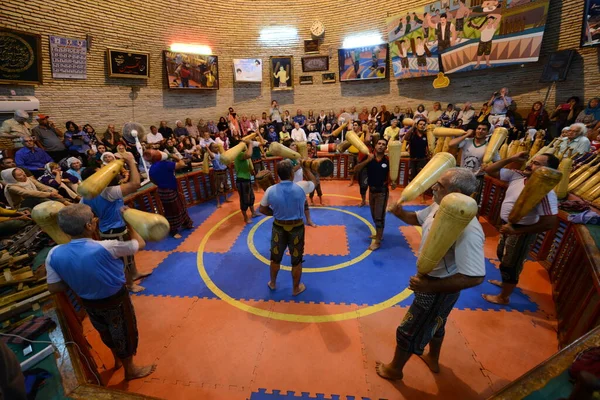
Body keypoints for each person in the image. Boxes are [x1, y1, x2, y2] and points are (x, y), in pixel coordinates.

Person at [377, 168, 485, 381]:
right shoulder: (441, 205)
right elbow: (418, 219)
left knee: (408, 328)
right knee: (438, 323)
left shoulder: (469, 229)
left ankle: (395, 370)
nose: (433, 187)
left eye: (440, 185)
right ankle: (433, 357)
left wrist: (429, 287)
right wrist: (399, 213)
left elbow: (475, 277)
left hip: (440, 287)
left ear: (455, 192)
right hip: (432, 282)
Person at [46, 204, 156, 381]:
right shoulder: (107, 246)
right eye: (93, 218)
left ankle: (117, 360)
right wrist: (130, 225)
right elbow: (141, 243)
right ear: (89, 226)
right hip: (115, 300)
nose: (95, 219)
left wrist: (78, 278)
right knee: (125, 332)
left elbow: (54, 287)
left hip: (88, 303)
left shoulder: (53, 253)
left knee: (105, 331)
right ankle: (131, 370)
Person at [482, 152, 559, 305]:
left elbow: (549, 223)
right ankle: (505, 283)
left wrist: (516, 231)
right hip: (507, 227)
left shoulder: (545, 193)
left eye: (537, 164)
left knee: (511, 264)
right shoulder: (518, 176)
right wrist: (512, 159)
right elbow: (490, 170)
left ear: (548, 171)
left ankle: (503, 297)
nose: (531, 165)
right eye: (532, 161)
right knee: (501, 255)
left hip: (521, 231)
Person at [81, 152, 149, 293]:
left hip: (108, 229)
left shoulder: (85, 196)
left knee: (128, 255)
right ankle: (130, 285)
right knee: (124, 260)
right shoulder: (107, 192)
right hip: (115, 231)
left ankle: (134, 273)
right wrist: (131, 161)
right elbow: (136, 184)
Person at [259, 160, 315, 296]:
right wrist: (306, 167)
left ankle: (272, 283)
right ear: (291, 173)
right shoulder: (301, 187)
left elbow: (262, 209)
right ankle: (295, 288)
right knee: (296, 261)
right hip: (296, 228)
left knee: (275, 258)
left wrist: (276, 214)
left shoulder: (270, 190)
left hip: (278, 227)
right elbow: (314, 182)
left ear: (278, 175)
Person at [353, 138, 394, 251]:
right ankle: (378, 234)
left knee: (379, 216)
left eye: (383, 145)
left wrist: (393, 182)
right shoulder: (368, 158)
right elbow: (356, 170)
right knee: (374, 215)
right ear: (375, 146)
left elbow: (393, 175)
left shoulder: (388, 160)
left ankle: (378, 241)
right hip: (371, 191)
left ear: (386, 148)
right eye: (379, 144)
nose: (381, 146)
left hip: (382, 192)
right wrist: (367, 161)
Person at [144, 150, 193, 238]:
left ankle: (186, 224)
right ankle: (174, 231)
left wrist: (161, 184)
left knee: (174, 209)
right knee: (175, 210)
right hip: (169, 190)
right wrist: (174, 156)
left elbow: (152, 180)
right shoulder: (164, 164)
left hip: (163, 190)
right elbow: (182, 164)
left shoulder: (151, 168)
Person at [233, 139, 259, 224]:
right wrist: (250, 144)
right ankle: (245, 217)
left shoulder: (243, 155)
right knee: (244, 200)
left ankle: (253, 212)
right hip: (241, 180)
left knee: (251, 197)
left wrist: (252, 172)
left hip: (247, 179)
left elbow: (248, 165)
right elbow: (249, 154)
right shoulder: (239, 154)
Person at [207, 143, 232, 208]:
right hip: (217, 173)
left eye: (217, 147)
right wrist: (207, 148)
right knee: (218, 188)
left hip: (224, 171)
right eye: (215, 148)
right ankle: (218, 202)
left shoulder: (221, 154)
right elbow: (211, 155)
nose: (217, 148)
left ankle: (226, 198)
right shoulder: (212, 155)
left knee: (225, 186)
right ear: (211, 149)